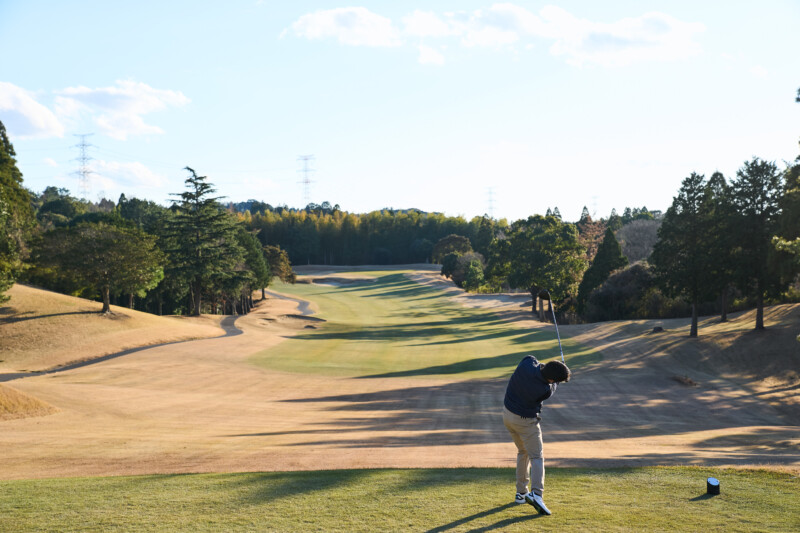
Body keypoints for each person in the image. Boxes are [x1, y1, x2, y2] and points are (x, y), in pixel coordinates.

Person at [502, 356, 571, 515]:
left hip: (507, 415)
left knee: (523, 451)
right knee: (537, 457)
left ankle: (521, 493)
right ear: (552, 379)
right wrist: (559, 376)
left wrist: (557, 368)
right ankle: (537, 494)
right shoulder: (544, 390)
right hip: (525, 422)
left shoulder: (527, 363)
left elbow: (535, 362)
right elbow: (552, 385)